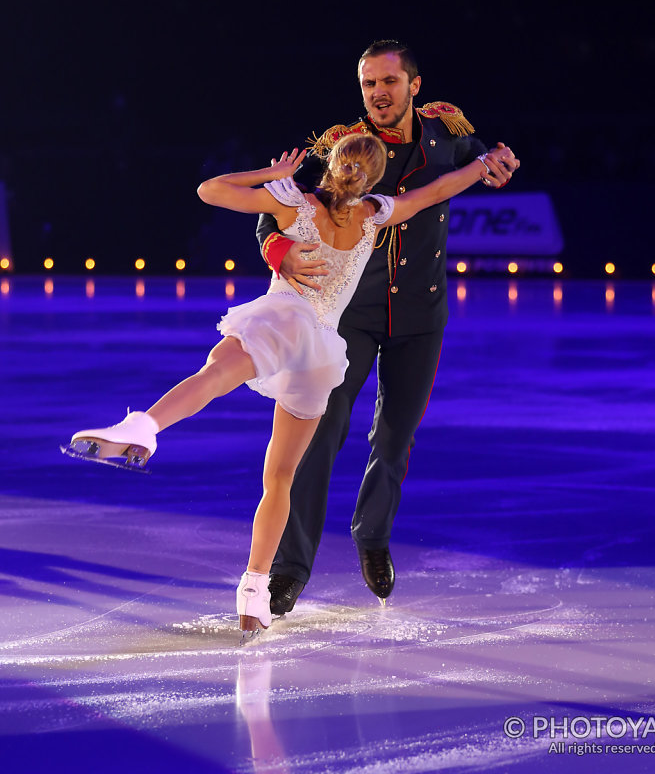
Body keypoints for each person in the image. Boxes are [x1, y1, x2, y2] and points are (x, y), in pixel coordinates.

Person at [62, 132, 514, 637]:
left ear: (331, 163)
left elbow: (209, 190)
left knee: (214, 374)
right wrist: (484, 166)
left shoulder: (293, 201)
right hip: (320, 354)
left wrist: (270, 175)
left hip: (282, 322)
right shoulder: (375, 213)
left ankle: (143, 427)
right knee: (279, 479)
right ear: (376, 174)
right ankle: (254, 590)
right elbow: (434, 192)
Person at [257, 39, 520, 615]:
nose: (378, 94)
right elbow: (275, 207)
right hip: (348, 315)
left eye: (389, 82)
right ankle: (291, 568)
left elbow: (486, 159)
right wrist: (280, 250)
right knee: (319, 434)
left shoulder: (448, 136)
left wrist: (498, 164)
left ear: (414, 87)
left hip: (421, 317)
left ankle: (372, 536)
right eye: (369, 84)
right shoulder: (341, 147)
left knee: (394, 441)